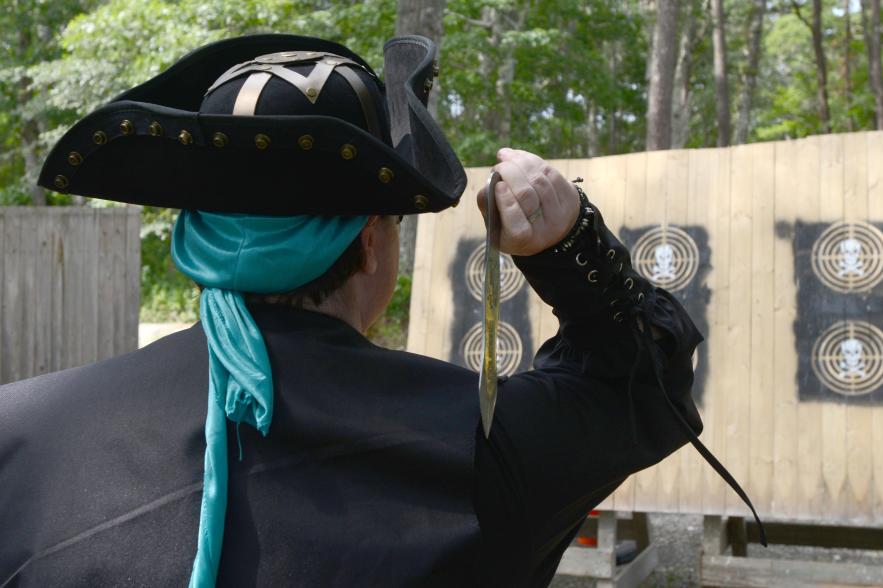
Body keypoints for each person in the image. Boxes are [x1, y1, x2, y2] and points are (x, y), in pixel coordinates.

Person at [0, 34, 758, 587]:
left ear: (198, 239)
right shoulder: (481, 447)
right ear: (371, 246)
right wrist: (568, 244)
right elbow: (638, 380)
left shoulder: (23, 435)